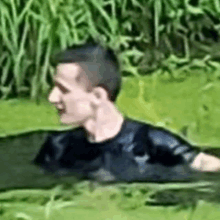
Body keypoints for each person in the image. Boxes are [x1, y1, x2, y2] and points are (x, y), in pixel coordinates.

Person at [33, 43, 220, 182]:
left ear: (98, 96)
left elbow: (206, 164)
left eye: (63, 90)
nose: (52, 98)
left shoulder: (152, 144)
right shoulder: (57, 148)